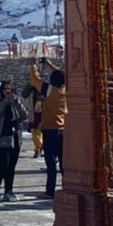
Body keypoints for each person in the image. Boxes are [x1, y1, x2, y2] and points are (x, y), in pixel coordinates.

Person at [0, 81, 27, 201]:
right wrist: (5, 101)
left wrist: (16, 101)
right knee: (2, 164)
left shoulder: (16, 100)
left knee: (11, 165)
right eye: (5, 89)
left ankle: (9, 190)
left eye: (10, 89)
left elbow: (24, 115)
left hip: (14, 137)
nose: (7, 91)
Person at [34, 64, 67, 199]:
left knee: (51, 162)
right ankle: (67, 187)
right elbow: (64, 76)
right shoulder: (66, 90)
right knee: (64, 162)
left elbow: (34, 78)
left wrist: (35, 66)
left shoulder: (47, 89)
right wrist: (50, 65)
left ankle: (50, 190)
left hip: (49, 129)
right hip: (63, 130)